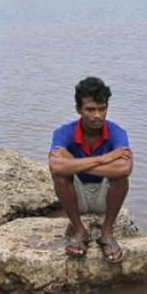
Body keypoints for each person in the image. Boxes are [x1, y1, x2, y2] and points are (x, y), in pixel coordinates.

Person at [49, 76, 132, 263]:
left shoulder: (117, 132)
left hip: (104, 195)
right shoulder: (64, 132)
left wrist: (74, 163)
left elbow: (125, 168)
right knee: (60, 177)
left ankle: (107, 233)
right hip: (75, 195)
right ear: (79, 109)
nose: (97, 115)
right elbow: (55, 166)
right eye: (90, 109)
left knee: (121, 178)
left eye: (102, 109)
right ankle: (79, 230)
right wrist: (105, 159)